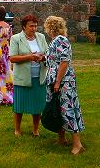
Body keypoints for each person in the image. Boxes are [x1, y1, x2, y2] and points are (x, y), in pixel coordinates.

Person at [43, 16, 85, 154]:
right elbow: (54, 60)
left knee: (68, 109)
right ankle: (61, 138)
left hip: (63, 82)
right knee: (57, 108)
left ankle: (77, 144)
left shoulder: (61, 40)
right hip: (56, 81)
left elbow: (64, 62)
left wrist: (58, 81)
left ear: (51, 28)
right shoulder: (56, 41)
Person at [9, 14, 48, 137]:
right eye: (31, 26)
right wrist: (29, 57)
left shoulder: (41, 37)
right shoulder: (16, 38)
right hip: (23, 78)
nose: (34, 28)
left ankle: (35, 129)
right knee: (19, 105)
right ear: (24, 27)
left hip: (39, 77)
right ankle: (17, 129)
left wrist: (42, 58)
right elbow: (12, 58)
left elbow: (48, 54)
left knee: (37, 105)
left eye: (36, 26)